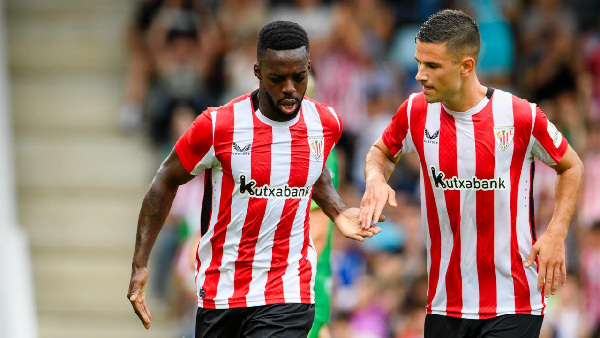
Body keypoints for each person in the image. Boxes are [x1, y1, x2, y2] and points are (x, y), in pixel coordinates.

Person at [127, 20, 381, 338]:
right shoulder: (219, 126)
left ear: (309, 70)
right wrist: (140, 264)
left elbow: (317, 175)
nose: (290, 87)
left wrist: (339, 212)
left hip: (289, 289)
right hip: (223, 290)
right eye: (277, 78)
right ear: (258, 72)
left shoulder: (325, 123)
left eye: (299, 76)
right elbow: (165, 180)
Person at [359, 9, 584, 338]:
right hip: (443, 304)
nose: (420, 74)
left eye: (432, 66)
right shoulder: (415, 112)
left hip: (512, 302)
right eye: (419, 63)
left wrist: (557, 232)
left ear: (466, 66)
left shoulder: (519, 115)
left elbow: (572, 165)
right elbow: (380, 152)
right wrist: (376, 179)